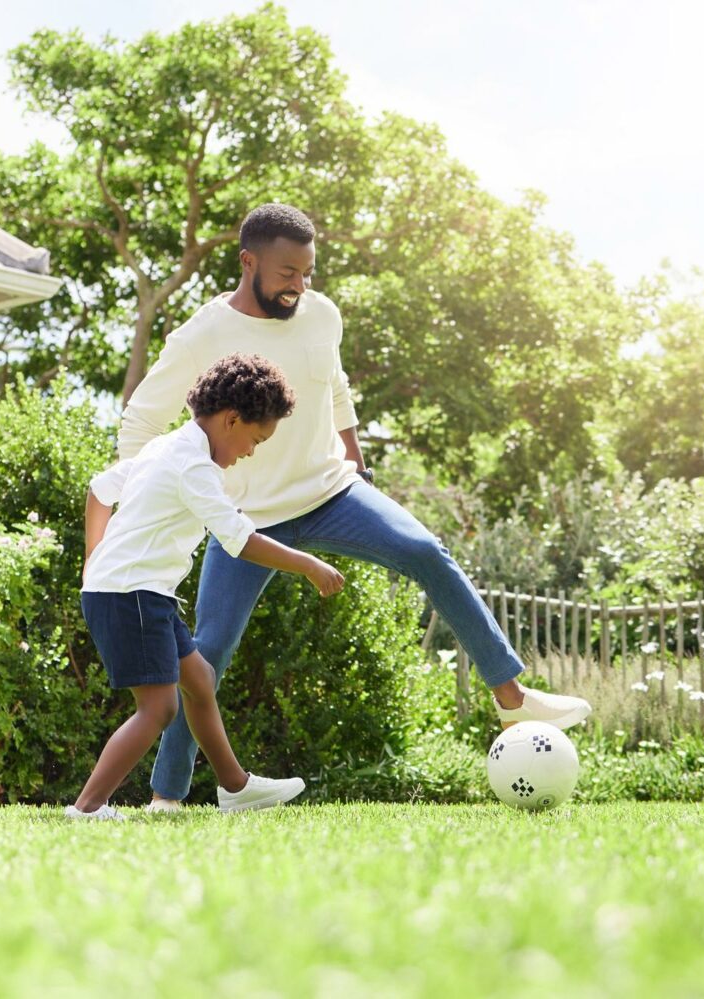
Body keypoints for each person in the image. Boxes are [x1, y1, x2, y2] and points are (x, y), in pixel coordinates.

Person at [116, 203, 593, 813]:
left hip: (331, 491)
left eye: (308, 273)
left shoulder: (322, 314)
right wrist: (136, 498)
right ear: (248, 262)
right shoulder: (203, 334)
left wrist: (355, 459)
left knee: (425, 550)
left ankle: (510, 695)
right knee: (207, 655)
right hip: (249, 516)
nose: (300, 286)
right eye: (288, 272)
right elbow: (142, 419)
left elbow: (334, 386)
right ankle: (168, 798)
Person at [67, 353, 345, 820]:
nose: (250, 452)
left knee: (199, 679)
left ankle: (235, 787)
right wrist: (308, 565)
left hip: (137, 591)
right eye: (255, 439)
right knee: (158, 709)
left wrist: (92, 559)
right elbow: (238, 539)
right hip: (132, 594)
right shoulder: (191, 466)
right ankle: (88, 808)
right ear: (231, 419)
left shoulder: (165, 447)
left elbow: (99, 490)